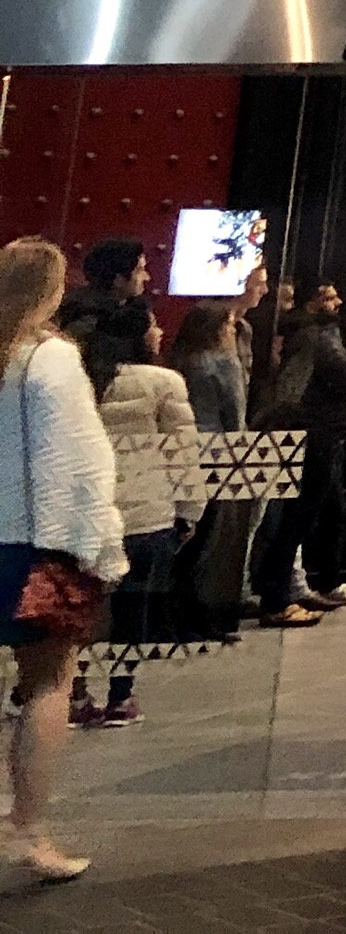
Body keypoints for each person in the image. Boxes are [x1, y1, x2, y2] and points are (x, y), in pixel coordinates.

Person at [0, 239, 116, 884]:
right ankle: (28, 831)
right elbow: (79, 462)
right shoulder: (50, 359)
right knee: (48, 683)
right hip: (32, 543)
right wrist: (95, 548)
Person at [75, 309, 200, 729]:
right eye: (153, 324)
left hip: (87, 515)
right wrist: (189, 512)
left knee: (79, 610)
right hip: (147, 516)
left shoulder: (81, 381)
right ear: (140, 336)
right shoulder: (164, 382)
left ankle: (72, 692)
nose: (160, 330)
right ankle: (121, 697)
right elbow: (182, 454)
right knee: (133, 610)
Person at [256, 281, 346, 617]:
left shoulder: (306, 334)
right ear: (314, 303)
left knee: (315, 513)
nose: (338, 302)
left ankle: (290, 589)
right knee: (299, 516)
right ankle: (276, 596)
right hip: (318, 432)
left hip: (315, 430)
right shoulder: (316, 335)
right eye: (329, 297)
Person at [164, 304, 259, 649]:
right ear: (218, 330)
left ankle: (172, 617)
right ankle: (200, 619)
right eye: (230, 326)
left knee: (185, 539)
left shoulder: (181, 361)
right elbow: (235, 416)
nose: (234, 332)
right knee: (209, 544)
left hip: (182, 452)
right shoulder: (224, 362)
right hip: (217, 454)